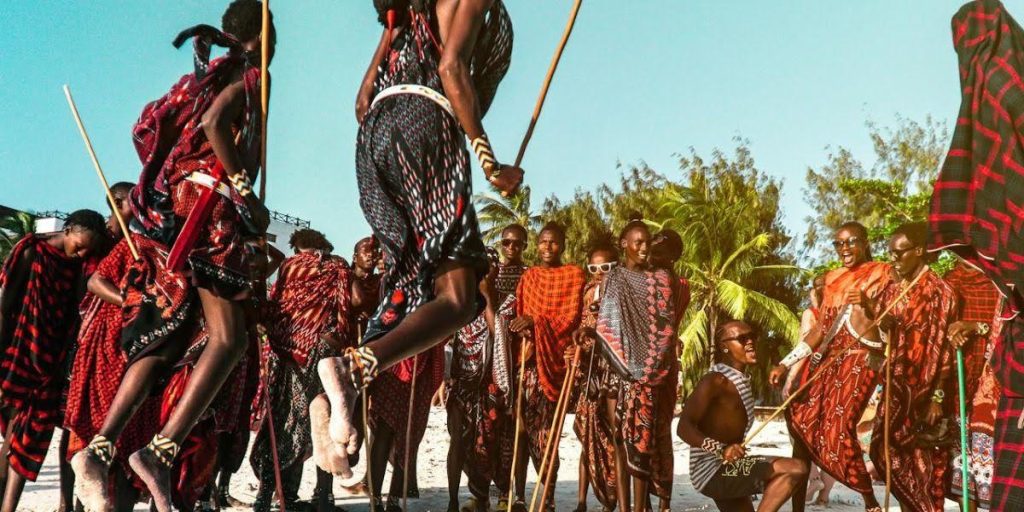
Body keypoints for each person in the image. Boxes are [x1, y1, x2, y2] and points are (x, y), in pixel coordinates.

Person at [71, 3, 275, 511]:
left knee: (169, 331)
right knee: (228, 338)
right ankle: (160, 451)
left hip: (179, 207)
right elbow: (213, 123)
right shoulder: (253, 71)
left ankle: (100, 447)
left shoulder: (215, 70)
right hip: (210, 205)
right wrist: (245, 192)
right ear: (266, 35)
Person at [318, 0, 526, 480]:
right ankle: (356, 368)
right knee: (459, 299)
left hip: (373, 142)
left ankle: (336, 402)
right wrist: (489, 162)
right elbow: (452, 68)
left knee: (410, 287)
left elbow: (361, 101)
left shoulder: (405, 11)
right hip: (428, 129)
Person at [770, 221, 892, 511]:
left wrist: (868, 303)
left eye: (851, 242)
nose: (845, 249)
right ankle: (798, 506)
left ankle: (869, 499)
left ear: (865, 241)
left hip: (862, 359)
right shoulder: (833, 279)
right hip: (830, 360)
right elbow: (819, 331)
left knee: (839, 427)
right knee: (800, 419)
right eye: (839, 243)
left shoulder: (883, 272)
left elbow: (893, 322)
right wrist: (785, 363)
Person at [0, 209, 107, 512]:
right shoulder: (31, 253)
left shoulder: (76, 269)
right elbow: (5, 306)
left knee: (24, 442)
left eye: (88, 250)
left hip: (52, 365)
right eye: (80, 245)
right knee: (10, 440)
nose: (82, 253)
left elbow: (73, 314)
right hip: (17, 357)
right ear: (69, 230)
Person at [250, 229, 352, 511]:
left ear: (298, 247)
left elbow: (277, 307)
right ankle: (323, 496)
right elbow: (344, 312)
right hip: (323, 354)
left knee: (284, 422)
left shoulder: (289, 266)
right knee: (324, 420)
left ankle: (270, 494)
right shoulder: (340, 266)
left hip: (289, 354)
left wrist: (268, 325)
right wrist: (340, 341)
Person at [867, 223, 958, 512]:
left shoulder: (941, 292)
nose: (894, 259)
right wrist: (884, 326)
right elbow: (878, 338)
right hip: (895, 390)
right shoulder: (891, 290)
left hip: (926, 393)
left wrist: (937, 398)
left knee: (924, 466)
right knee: (885, 454)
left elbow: (945, 349)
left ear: (919, 251)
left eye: (900, 253)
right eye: (890, 253)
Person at [588, 219, 677, 512]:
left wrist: (647, 367)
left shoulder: (661, 279)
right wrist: (626, 365)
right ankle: (624, 508)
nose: (643, 248)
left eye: (646, 242)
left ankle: (641, 508)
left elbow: (666, 326)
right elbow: (608, 323)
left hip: (650, 373)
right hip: (618, 371)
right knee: (620, 438)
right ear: (624, 245)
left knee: (642, 442)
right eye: (637, 242)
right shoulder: (614, 278)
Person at [679, 320, 808, 512]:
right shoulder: (716, 380)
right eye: (742, 338)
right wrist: (721, 450)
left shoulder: (740, 379)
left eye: (752, 336)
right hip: (713, 471)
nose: (750, 342)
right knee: (795, 468)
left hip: (729, 467)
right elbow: (683, 427)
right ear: (725, 346)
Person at [508, 222, 585, 511]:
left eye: (553, 242)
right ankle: (518, 495)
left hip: (554, 366)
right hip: (527, 364)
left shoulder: (574, 276)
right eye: (542, 242)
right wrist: (525, 325)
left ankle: (548, 497)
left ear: (563, 245)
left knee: (547, 435)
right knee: (522, 431)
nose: (547, 247)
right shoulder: (530, 277)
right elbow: (519, 313)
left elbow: (570, 320)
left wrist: (536, 322)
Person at [446, 249, 505, 512]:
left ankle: (481, 496)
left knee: (487, 445)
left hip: (488, 387)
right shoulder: (458, 303)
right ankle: (452, 501)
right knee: (458, 442)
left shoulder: (502, 300)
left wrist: (487, 296)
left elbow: (497, 332)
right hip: (461, 385)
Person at [945, 261, 1005, 510]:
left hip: (994, 378)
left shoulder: (998, 281)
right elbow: (938, 325)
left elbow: (1007, 327)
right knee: (961, 459)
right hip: (957, 378)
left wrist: (974, 327)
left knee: (994, 459)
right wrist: (952, 333)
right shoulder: (948, 280)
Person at [571, 242, 619, 512]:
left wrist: (594, 335)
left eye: (606, 267)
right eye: (594, 267)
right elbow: (581, 322)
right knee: (586, 432)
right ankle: (581, 502)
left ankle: (612, 497)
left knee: (613, 435)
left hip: (612, 370)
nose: (600, 272)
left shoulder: (621, 294)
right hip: (588, 369)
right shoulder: (588, 291)